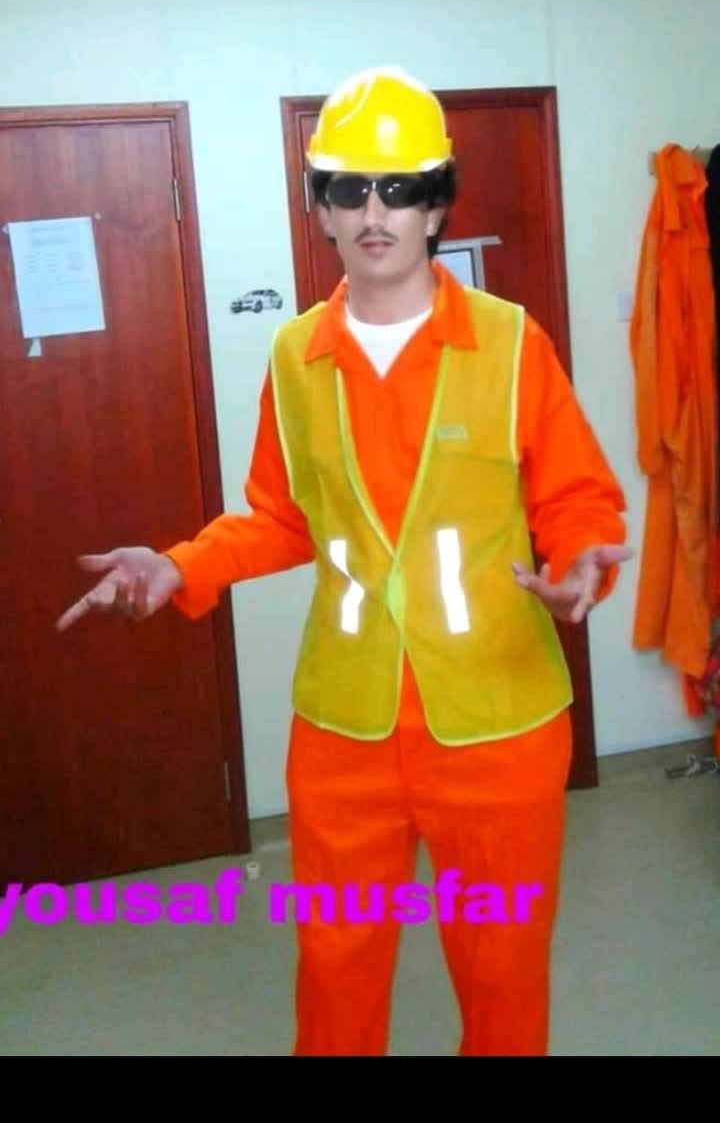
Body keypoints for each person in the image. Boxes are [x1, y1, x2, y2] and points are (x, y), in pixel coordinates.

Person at [57, 66, 631, 1056]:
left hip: (498, 722)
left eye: (399, 188)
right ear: (320, 207)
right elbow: (283, 517)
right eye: (348, 188)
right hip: (344, 730)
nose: (374, 212)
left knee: (501, 973)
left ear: (436, 205)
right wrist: (181, 566)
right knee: (335, 970)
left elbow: (577, 496)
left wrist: (583, 559)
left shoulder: (510, 343)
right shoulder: (296, 356)